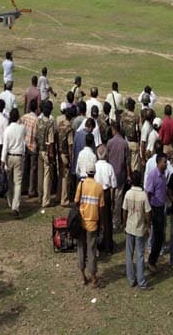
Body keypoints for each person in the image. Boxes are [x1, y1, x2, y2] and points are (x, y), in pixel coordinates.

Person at [75, 156, 104, 288]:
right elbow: (101, 207)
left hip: (81, 221)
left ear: (86, 172)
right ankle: (93, 278)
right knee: (92, 250)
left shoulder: (81, 184)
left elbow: (76, 201)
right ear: (95, 173)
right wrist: (102, 223)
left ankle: (82, 276)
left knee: (81, 248)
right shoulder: (99, 187)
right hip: (92, 223)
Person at [122, 170, 151, 290]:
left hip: (129, 227)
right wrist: (148, 225)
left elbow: (124, 211)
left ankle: (131, 279)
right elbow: (148, 212)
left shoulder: (128, 194)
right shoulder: (143, 195)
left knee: (129, 254)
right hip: (140, 228)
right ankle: (141, 281)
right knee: (139, 255)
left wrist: (124, 224)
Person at [145, 153, 168, 271]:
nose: (166, 164)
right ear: (158, 162)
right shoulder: (153, 175)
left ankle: (153, 260)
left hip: (161, 207)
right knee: (157, 236)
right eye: (164, 161)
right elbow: (148, 193)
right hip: (154, 208)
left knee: (160, 236)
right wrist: (148, 211)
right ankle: (151, 261)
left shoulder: (163, 175)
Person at [1, 108, 25, 218]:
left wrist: (2, 160)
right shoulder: (22, 128)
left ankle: (11, 202)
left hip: (9, 156)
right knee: (18, 183)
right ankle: (16, 206)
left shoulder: (8, 129)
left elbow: (5, 146)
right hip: (19, 156)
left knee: (10, 181)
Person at [107, 121, 130, 229]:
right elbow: (127, 162)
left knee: (111, 198)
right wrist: (129, 175)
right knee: (118, 199)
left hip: (110, 174)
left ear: (113, 129)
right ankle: (116, 221)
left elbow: (106, 158)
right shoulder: (124, 143)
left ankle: (110, 217)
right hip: (120, 174)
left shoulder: (110, 142)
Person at [94, 145, 117, 253]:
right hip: (106, 193)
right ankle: (108, 246)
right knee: (107, 221)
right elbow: (113, 185)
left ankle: (97, 244)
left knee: (97, 220)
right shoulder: (109, 167)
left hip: (96, 193)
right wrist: (112, 199)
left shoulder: (95, 166)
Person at [35, 100, 56, 208]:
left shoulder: (39, 121)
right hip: (47, 151)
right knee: (47, 177)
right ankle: (45, 200)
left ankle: (39, 196)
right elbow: (51, 141)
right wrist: (51, 154)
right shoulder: (50, 124)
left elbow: (36, 136)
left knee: (40, 175)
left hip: (39, 150)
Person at [120, 97, 141, 173]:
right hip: (134, 142)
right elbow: (139, 130)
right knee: (134, 166)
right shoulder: (136, 117)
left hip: (125, 141)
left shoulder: (123, 115)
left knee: (126, 163)